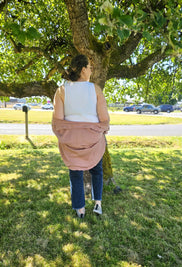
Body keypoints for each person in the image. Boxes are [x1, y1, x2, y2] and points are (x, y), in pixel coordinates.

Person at [52, 54, 110, 218]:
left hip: (71, 142)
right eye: (90, 67)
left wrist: (71, 133)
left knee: (75, 173)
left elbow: (58, 122)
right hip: (93, 140)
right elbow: (104, 119)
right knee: (97, 171)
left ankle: (80, 210)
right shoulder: (95, 89)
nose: (91, 70)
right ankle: (97, 203)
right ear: (83, 69)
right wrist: (100, 130)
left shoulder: (61, 90)